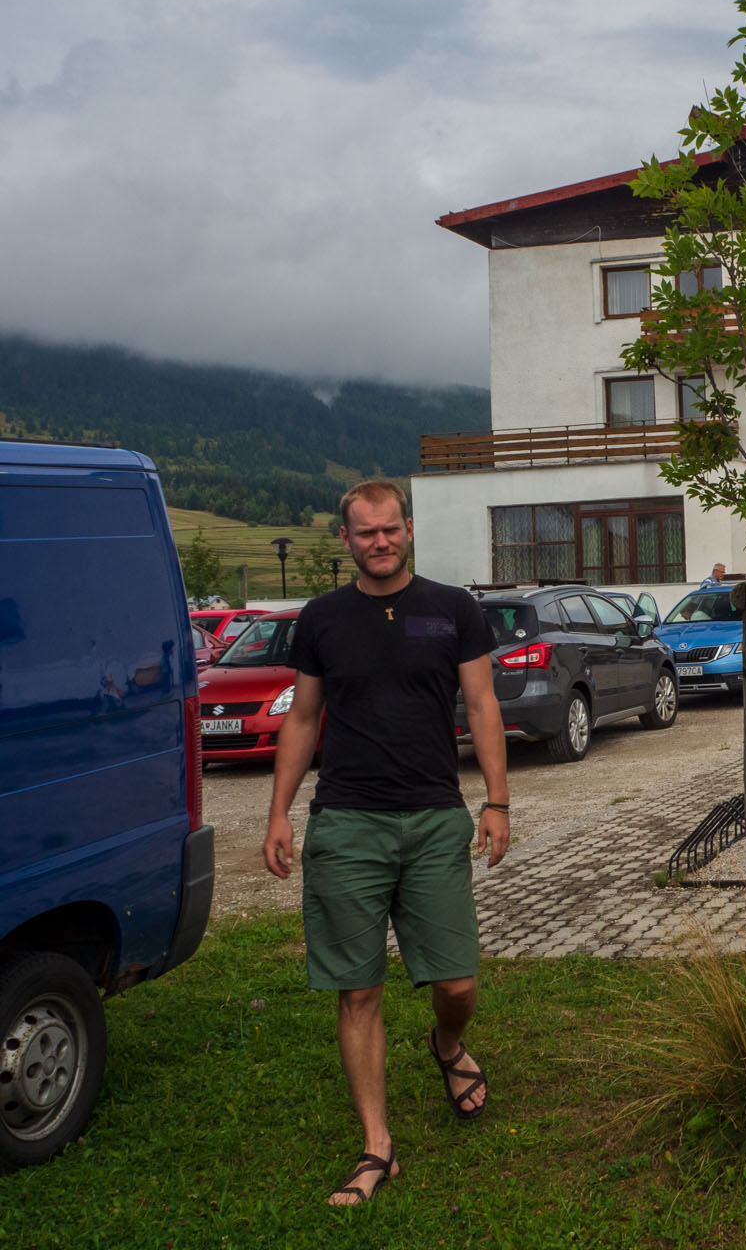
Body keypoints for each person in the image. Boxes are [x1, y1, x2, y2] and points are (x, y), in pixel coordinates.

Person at [262, 480, 510, 1207]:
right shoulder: (322, 619)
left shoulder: (452, 609)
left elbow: (482, 703)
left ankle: (445, 1044)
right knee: (358, 988)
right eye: (365, 532)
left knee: (456, 982)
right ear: (346, 539)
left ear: (409, 529)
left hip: (435, 817)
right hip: (346, 822)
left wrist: (497, 800)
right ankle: (378, 1144)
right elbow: (303, 719)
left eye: (390, 529)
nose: (380, 541)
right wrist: (279, 812)